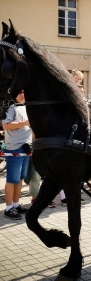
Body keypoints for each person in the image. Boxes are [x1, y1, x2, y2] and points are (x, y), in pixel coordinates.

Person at [2, 91, 32, 220]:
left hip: (27, 146)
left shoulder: (26, 107)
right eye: (20, 93)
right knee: (12, 179)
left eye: (24, 93)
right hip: (14, 147)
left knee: (20, 178)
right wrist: (25, 123)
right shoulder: (11, 108)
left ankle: (16, 204)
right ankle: (8, 208)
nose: (23, 95)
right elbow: (6, 125)